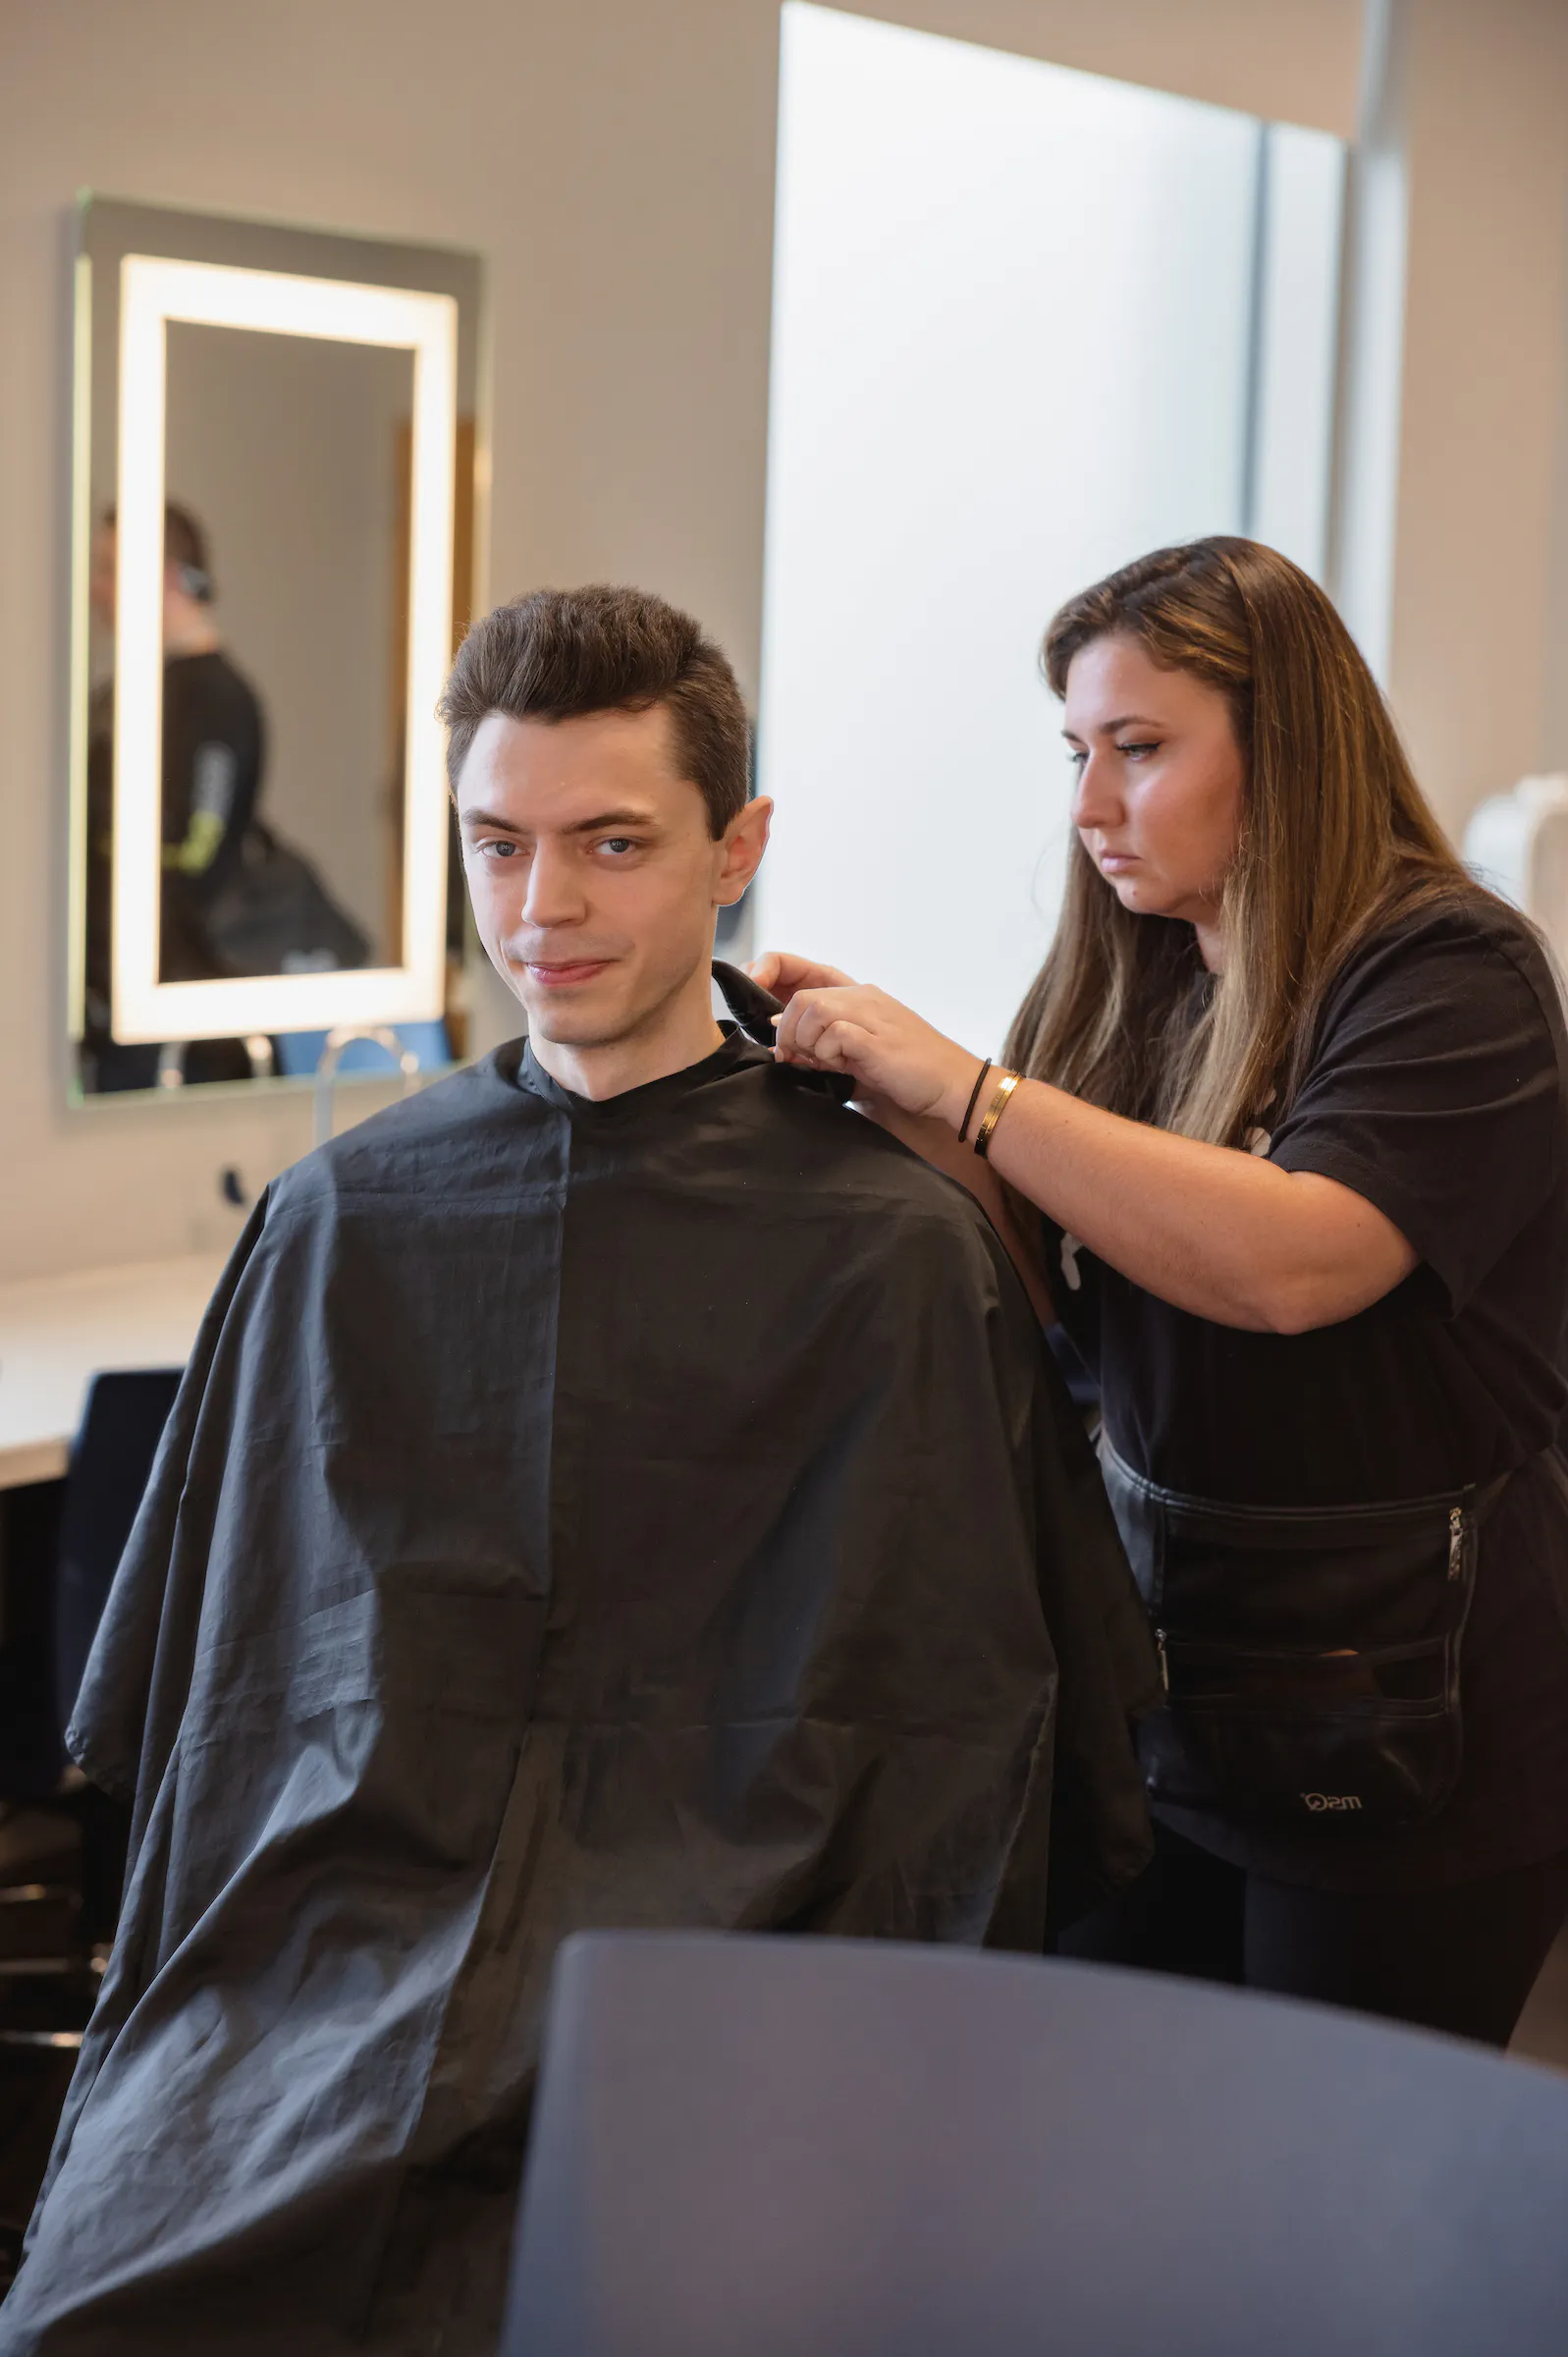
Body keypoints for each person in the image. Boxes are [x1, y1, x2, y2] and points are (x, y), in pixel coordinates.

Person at [5, 586, 1154, 2354]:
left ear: (735, 851)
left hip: (748, 1992)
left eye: (612, 844)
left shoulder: (892, 1249)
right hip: (345, 1981)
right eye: (499, 844)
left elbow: (975, 1742)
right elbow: (214, 1716)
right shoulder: (337, 1223)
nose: (542, 909)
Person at [755, 535, 1568, 2051]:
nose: (1088, 807)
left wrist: (978, 1093)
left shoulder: (1451, 975)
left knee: (1321, 2173)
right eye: (1077, 753)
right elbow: (1060, 1289)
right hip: (1173, 1695)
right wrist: (893, 1099)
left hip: (1414, 1731)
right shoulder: (1131, 983)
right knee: (1115, 2132)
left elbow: (1294, 1263)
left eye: (1137, 748)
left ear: (1288, 746)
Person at [83, 503, 265, 1086]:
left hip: (179, 1028)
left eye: (109, 568)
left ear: (163, 575)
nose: (96, 588)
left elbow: (195, 849)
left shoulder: (215, 700)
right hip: (110, 1006)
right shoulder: (126, 693)